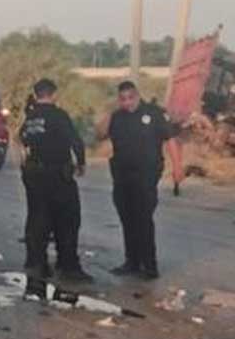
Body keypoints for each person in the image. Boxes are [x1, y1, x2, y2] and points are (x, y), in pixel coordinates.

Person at [94, 80, 183, 280]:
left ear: (136, 95)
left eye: (129, 98)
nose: (126, 103)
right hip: (122, 174)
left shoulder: (153, 113)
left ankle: (150, 266)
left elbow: (170, 139)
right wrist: (109, 113)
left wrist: (177, 167)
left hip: (146, 174)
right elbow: (100, 135)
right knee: (127, 219)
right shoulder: (117, 117)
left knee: (143, 218)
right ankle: (132, 262)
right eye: (122, 99)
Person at [19, 78, 91, 293]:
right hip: (56, 174)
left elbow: (22, 141)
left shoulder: (30, 118)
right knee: (67, 219)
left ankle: (35, 262)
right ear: (54, 94)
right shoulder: (58, 116)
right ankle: (67, 265)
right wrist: (81, 162)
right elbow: (75, 141)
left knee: (37, 217)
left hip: (33, 174)